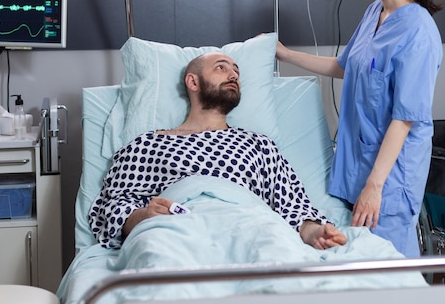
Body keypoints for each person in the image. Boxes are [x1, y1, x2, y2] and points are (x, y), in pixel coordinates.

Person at [275, 0, 443, 257]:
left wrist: (374, 186)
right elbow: (344, 66)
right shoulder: (373, 14)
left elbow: (404, 118)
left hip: (390, 181)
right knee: (359, 269)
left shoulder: (418, 32)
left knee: (390, 274)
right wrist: (285, 54)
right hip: (358, 169)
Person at [89, 52, 347, 250]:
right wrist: (144, 216)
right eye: (221, 68)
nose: (233, 75)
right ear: (193, 81)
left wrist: (316, 234)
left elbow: (293, 206)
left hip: (251, 231)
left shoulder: (258, 145)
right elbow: (111, 206)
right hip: (175, 235)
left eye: (236, 71)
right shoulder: (146, 145)